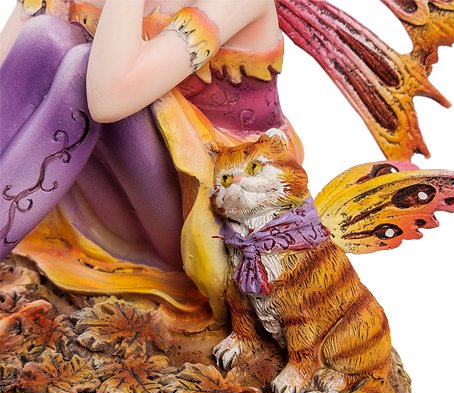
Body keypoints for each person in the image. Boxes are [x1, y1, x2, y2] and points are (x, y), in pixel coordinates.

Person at [0, 0, 303, 329]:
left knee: (86, 69)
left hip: (206, 223)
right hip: (116, 205)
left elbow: (108, 99)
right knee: (45, 37)